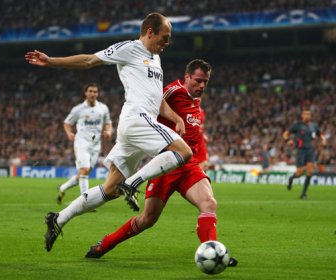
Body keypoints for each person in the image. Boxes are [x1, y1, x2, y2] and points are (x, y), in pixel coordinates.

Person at [25, 12, 193, 253]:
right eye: (165, 37)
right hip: (136, 119)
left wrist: (175, 117)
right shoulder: (129, 49)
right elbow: (89, 61)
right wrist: (51, 61)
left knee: (111, 189)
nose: (167, 43)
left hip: (137, 125)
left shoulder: (155, 59)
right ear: (149, 32)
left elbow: (156, 99)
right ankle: (134, 183)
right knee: (183, 152)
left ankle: (58, 219)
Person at [84, 59, 237, 266]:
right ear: (187, 77)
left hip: (188, 166)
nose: (201, 86)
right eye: (198, 81)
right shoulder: (172, 92)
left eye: (205, 82)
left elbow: (195, 135)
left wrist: (202, 156)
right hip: (166, 165)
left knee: (209, 203)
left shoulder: (197, 104)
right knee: (147, 219)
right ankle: (106, 243)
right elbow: (148, 106)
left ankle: (213, 251)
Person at [56, 83, 112, 204]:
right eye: (90, 91)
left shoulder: (103, 108)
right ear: (85, 93)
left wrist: (108, 130)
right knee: (85, 170)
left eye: (95, 92)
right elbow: (67, 123)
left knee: (83, 173)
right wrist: (69, 133)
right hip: (82, 143)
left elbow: (108, 122)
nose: (93, 94)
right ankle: (85, 201)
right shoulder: (78, 109)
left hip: (96, 144)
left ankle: (62, 188)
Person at [283, 107, 326, 199]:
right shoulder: (297, 125)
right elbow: (286, 133)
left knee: (310, 171)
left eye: (309, 114)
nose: (307, 116)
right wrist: (287, 140)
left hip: (310, 150)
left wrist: (323, 139)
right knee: (299, 173)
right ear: (302, 115)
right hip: (301, 150)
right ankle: (291, 179)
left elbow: (320, 134)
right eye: (305, 114)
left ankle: (303, 194)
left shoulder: (314, 126)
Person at [197, 105, 210, 171]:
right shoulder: (188, 109)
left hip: (200, 140)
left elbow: (201, 126)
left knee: (205, 165)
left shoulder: (201, 111)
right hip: (192, 140)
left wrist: (204, 135)